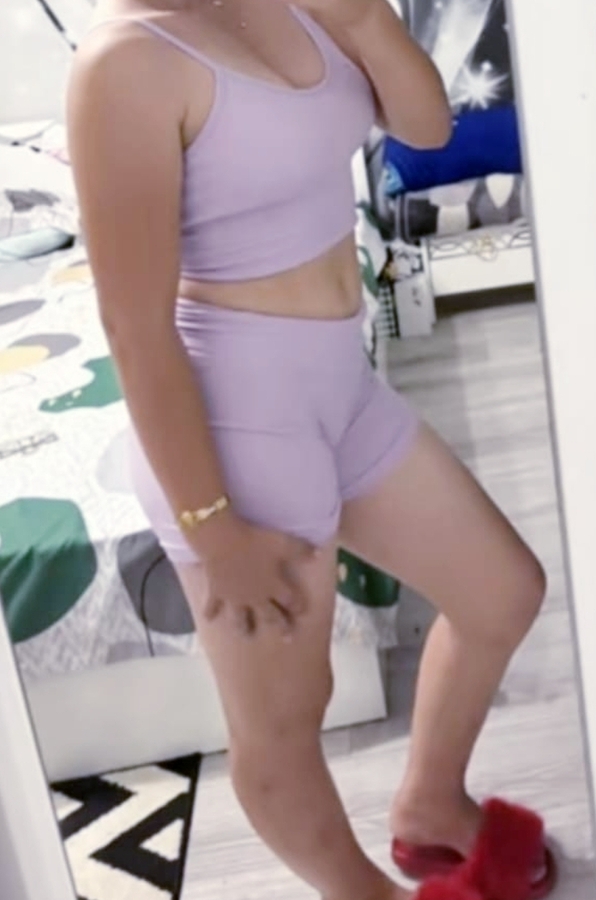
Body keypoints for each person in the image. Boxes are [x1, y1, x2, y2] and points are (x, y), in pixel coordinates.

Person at [66, 0, 556, 898]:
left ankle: (430, 806)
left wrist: (366, 23)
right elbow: (134, 330)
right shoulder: (126, 61)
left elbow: (427, 128)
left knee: (502, 592)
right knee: (286, 723)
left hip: (341, 385)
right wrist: (214, 532)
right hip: (238, 428)